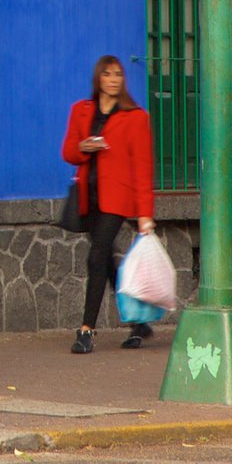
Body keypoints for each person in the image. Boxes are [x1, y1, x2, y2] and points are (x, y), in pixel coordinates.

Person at [60, 54, 155, 354]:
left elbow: (143, 166)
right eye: (107, 74)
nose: (113, 79)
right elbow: (68, 153)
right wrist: (84, 147)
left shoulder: (136, 116)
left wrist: (145, 215)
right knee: (108, 263)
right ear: (98, 78)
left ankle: (86, 330)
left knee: (96, 257)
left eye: (118, 74)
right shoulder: (81, 110)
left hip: (118, 199)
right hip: (90, 199)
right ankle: (138, 322)